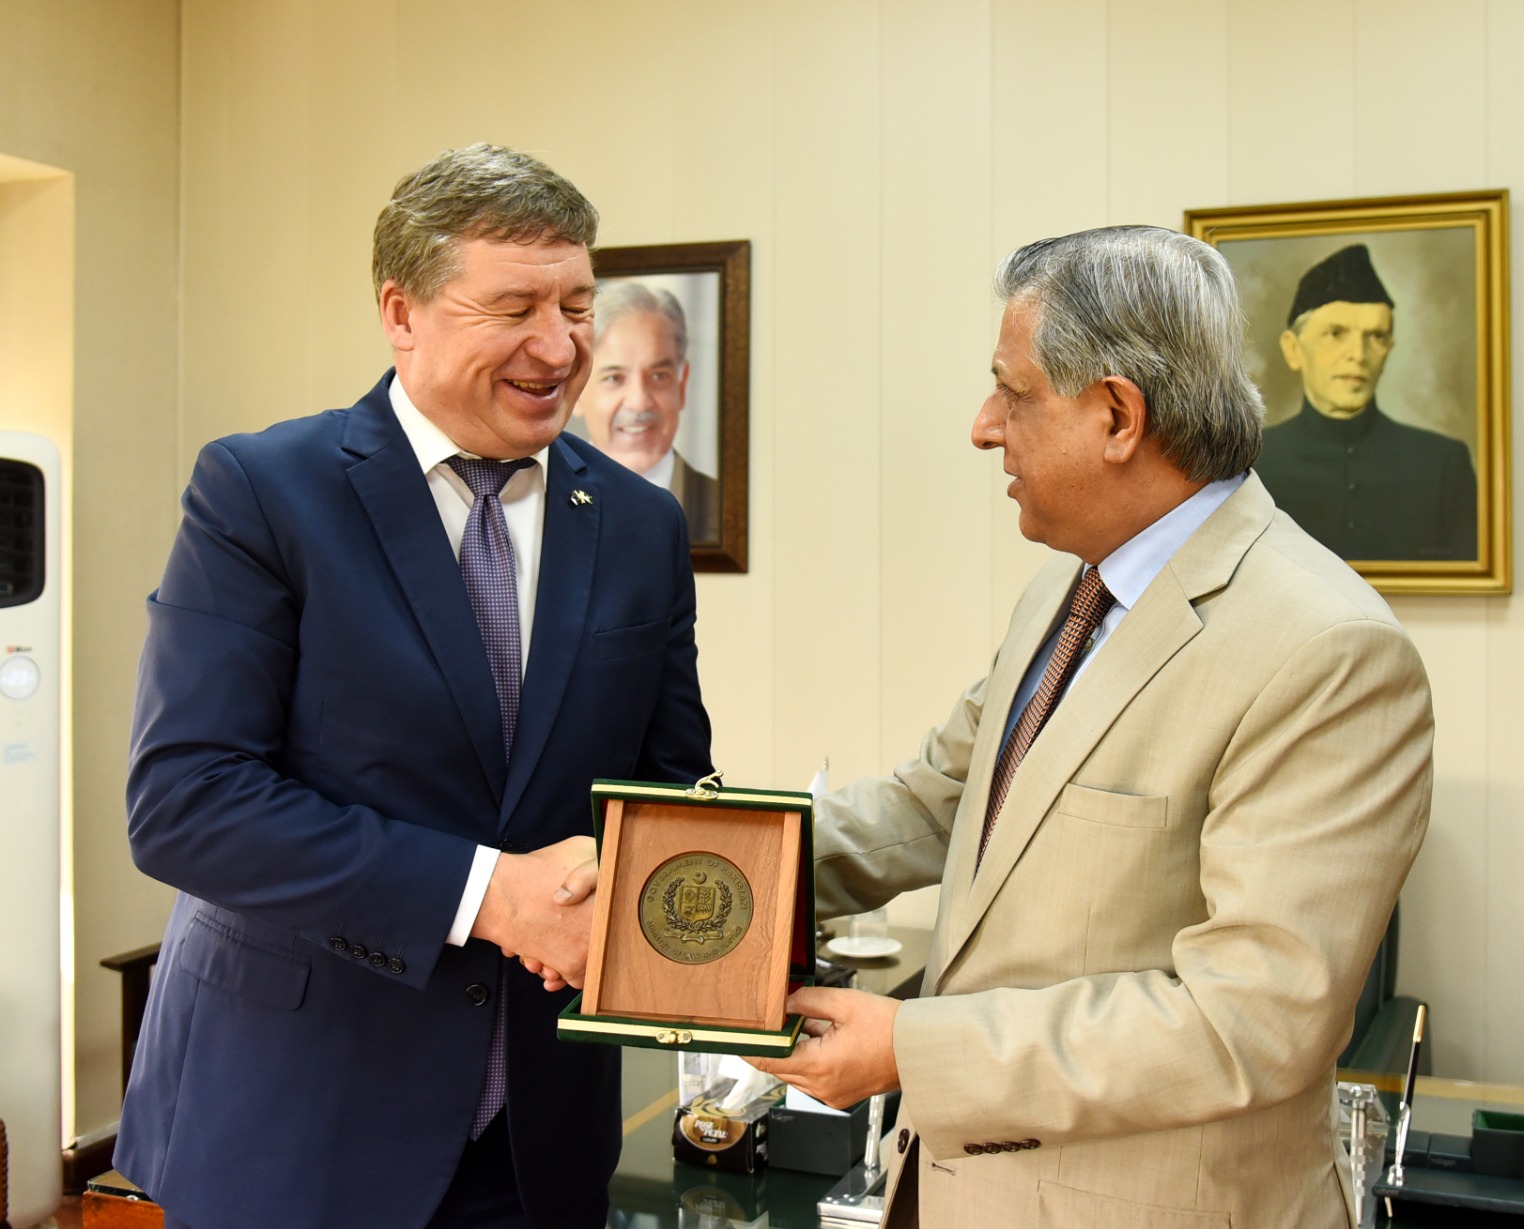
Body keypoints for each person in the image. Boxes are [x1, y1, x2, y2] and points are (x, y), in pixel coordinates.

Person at [741, 227, 1433, 1227]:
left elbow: (1250, 1018)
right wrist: (689, 874)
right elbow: (935, 804)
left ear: (1117, 414)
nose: (984, 427)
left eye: (1012, 393)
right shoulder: (1065, 593)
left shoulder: (1328, 651)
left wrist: (911, 1049)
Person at [116, 144, 713, 1229]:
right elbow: (186, 802)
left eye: (577, 305)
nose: (559, 346)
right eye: (515, 308)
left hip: (539, 1141)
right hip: (296, 1122)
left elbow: (669, 791)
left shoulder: (641, 524)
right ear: (402, 312)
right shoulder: (260, 492)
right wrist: (489, 895)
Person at [1254, 243, 1477, 561]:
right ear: (1293, 349)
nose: (1358, 355)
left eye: (1376, 336)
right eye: (1335, 333)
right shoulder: (1251, 463)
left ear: (1389, 349)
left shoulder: (1441, 465)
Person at [575, 280, 720, 541]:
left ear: (682, 385)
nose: (639, 402)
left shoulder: (725, 508)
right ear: (576, 391)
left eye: (658, 376)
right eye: (614, 378)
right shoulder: (544, 503)